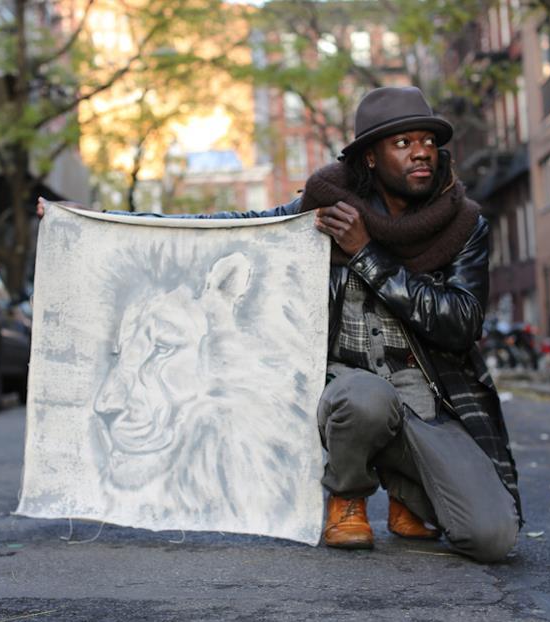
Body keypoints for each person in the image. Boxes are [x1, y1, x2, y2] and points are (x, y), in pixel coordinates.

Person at [37, 86, 521, 562]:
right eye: (403, 143)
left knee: (491, 537)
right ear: (371, 158)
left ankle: (407, 492)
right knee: (365, 399)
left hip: (428, 404)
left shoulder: (462, 223)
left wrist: (368, 256)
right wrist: (100, 221)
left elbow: (460, 323)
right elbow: (228, 230)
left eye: (428, 142)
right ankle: (347, 494)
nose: (421, 154)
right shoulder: (326, 209)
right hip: (350, 396)